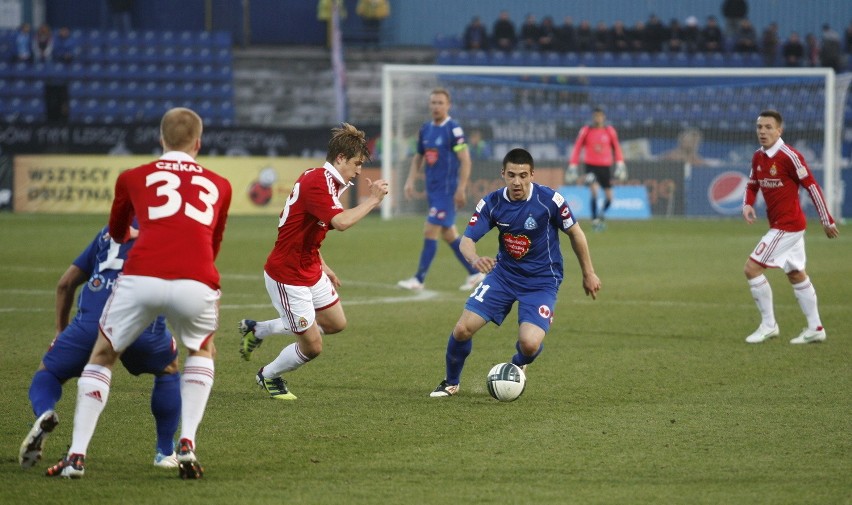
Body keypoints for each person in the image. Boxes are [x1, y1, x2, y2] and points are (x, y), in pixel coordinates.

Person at [45, 107, 232, 480]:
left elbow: (116, 232)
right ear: (198, 143)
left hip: (141, 275)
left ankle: (77, 456)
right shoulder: (221, 185)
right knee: (201, 350)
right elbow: (213, 242)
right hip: (196, 277)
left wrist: (138, 235)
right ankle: (187, 442)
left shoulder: (132, 177)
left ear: (161, 140)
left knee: (103, 354)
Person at [429, 148, 601, 398]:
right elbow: (466, 240)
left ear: (532, 174)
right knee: (463, 329)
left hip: (542, 281)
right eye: (511, 175)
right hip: (504, 276)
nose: (517, 182)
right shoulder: (492, 202)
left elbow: (575, 233)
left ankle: (519, 364)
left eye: (523, 175)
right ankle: (450, 382)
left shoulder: (549, 200)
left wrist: (589, 273)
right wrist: (475, 259)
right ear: (503, 174)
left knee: (530, 344)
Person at [238, 123, 389, 400]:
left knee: (335, 323)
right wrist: (373, 200)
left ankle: (258, 329)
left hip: (310, 266)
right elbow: (341, 223)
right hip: (288, 274)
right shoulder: (318, 182)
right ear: (341, 158)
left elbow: (303, 228)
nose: (359, 170)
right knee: (313, 346)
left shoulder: (325, 180)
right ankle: (268, 375)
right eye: (356, 163)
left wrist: (323, 265)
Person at [20, 224, 181, 471]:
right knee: (168, 368)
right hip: (142, 328)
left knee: (49, 371)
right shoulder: (166, 230)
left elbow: (65, 284)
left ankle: (45, 412)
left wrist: (60, 333)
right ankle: (165, 452)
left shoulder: (109, 232)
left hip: (90, 327)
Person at [742, 110, 838, 345]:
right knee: (796, 274)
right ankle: (816, 328)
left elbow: (812, 186)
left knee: (752, 269)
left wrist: (826, 219)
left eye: (768, 127)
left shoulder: (789, 156)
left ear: (779, 130)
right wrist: (747, 204)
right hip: (783, 225)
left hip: (788, 226)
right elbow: (752, 184)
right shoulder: (758, 157)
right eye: (759, 127)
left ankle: (769, 325)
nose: (762, 132)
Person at [397, 88, 483, 292]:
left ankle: (419, 279)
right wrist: (410, 180)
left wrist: (461, 188)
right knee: (449, 235)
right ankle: (476, 272)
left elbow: (466, 160)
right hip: (433, 190)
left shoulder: (453, 129)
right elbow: (419, 156)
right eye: (433, 102)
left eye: (440, 103)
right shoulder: (426, 129)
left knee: (430, 229)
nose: (436, 106)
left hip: (447, 191)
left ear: (448, 105)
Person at [565, 106, 627, 231]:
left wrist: (620, 163)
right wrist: (573, 164)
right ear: (593, 117)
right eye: (595, 116)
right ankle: (594, 220)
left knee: (610, 197)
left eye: (599, 116)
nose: (597, 118)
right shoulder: (586, 130)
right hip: (591, 166)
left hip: (605, 167)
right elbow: (577, 147)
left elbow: (616, 148)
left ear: (603, 117)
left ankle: (600, 216)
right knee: (594, 192)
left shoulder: (609, 131)